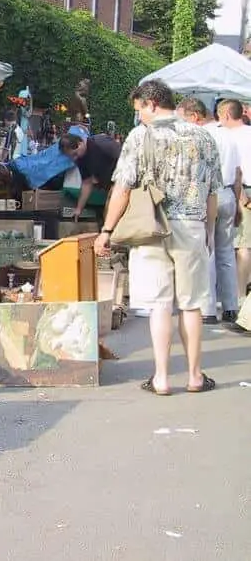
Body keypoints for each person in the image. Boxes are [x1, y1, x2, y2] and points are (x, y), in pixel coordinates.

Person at [95, 79, 221, 395]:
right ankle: (194, 375)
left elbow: (122, 190)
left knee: (160, 305)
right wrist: (208, 232)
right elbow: (212, 193)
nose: (139, 116)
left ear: (151, 103)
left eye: (140, 109)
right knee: (192, 306)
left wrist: (107, 231)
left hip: (150, 228)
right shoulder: (202, 134)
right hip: (192, 227)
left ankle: (162, 378)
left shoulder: (140, 137)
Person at [176, 98, 242, 324]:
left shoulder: (201, 137)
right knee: (226, 253)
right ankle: (231, 306)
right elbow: (238, 172)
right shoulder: (228, 136)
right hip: (229, 194)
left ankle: (208, 308)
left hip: (207, 194)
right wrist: (237, 199)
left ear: (194, 116)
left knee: (207, 250)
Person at [219, 99, 251, 300]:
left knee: (242, 246)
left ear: (227, 115)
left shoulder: (229, 137)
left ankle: (239, 297)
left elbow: (236, 171)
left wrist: (242, 198)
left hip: (241, 192)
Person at [59, 132, 122, 220]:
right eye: (71, 157)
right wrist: (79, 209)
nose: (74, 158)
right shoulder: (80, 160)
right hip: (110, 187)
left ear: (80, 143)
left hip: (123, 183)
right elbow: (87, 184)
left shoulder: (100, 143)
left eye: (75, 154)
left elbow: (125, 157)